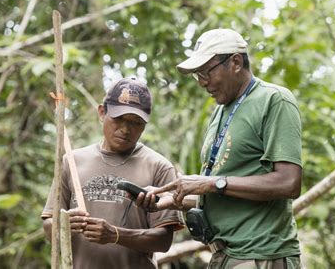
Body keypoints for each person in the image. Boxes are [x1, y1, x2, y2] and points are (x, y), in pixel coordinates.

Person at [138, 28, 303, 268]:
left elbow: (289, 183)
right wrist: (169, 199)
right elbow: (224, 192)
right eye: (197, 75)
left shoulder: (274, 100)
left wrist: (209, 183)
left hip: (261, 256)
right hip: (225, 256)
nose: (203, 82)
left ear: (235, 62)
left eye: (206, 72)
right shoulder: (220, 111)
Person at [41, 78, 184, 269]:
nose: (126, 130)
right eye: (119, 119)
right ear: (102, 112)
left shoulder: (159, 167)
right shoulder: (72, 161)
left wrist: (115, 235)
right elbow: (49, 228)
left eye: (136, 123)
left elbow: (163, 241)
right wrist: (63, 225)